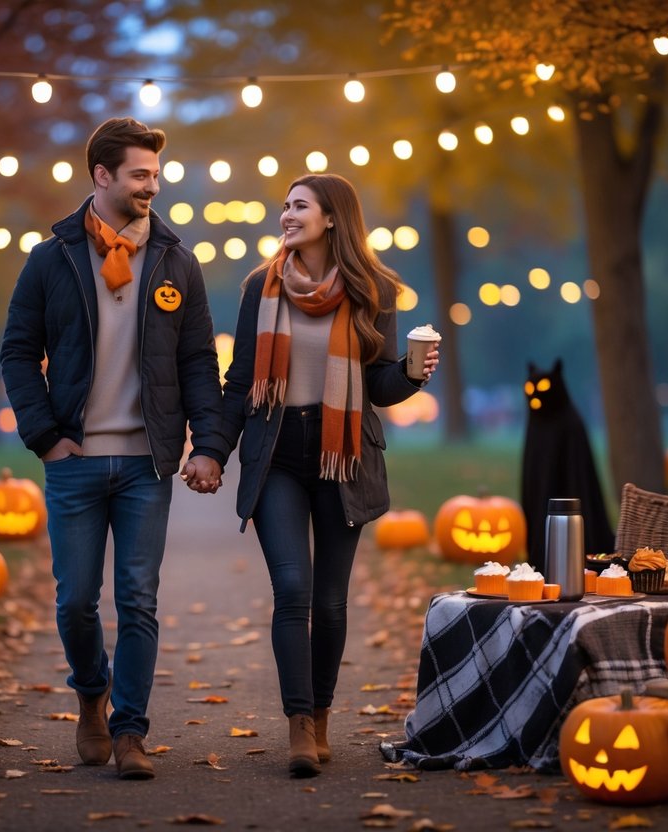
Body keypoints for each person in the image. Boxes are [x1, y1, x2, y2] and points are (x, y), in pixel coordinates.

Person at [0, 116, 226, 780]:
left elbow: (197, 362)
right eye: (139, 174)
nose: (151, 186)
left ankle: (129, 732)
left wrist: (207, 444)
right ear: (102, 176)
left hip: (143, 465)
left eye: (155, 174)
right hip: (73, 460)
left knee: (137, 598)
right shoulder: (52, 259)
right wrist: (45, 436)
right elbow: (18, 351)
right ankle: (89, 692)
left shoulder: (176, 261)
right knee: (74, 602)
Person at [216, 173, 439, 777]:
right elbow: (240, 382)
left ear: (333, 217)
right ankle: (296, 728)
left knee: (332, 602)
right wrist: (212, 450)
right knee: (292, 589)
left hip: (344, 459)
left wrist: (414, 375)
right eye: (285, 206)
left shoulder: (375, 290)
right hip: (278, 455)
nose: (286, 215)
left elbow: (381, 385)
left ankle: (319, 716)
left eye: (299, 207)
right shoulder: (259, 289)